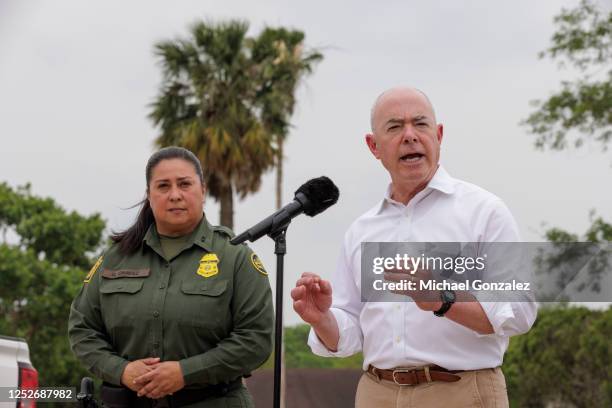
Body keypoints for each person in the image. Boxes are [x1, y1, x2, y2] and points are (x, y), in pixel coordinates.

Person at [291, 87, 537, 407]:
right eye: (394, 127)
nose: (410, 136)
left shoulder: (483, 212)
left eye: (420, 124)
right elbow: (352, 332)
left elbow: (520, 311)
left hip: (462, 391)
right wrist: (321, 318)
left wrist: (441, 299)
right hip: (377, 393)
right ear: (373, 146)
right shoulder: (362, 230)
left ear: (439, 135)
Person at [69, 146, 274, 408]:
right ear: (149, 195)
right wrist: (121, 370)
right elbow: (82, 329)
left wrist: (184, 373)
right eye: (163, 186)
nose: (175, 195)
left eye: (185, 184)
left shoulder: (235, 258)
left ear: (203, 190)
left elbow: (256, 339)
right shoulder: (115, 259)